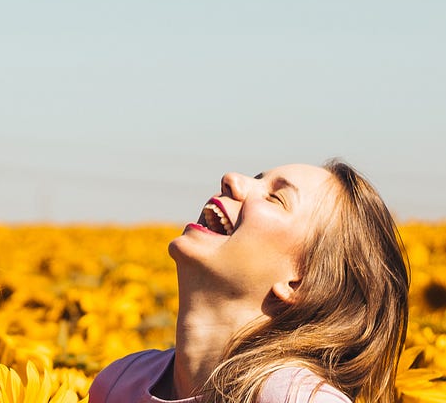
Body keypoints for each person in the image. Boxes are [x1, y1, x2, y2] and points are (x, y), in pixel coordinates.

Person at [89, 161, 408, 403]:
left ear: (300, 283)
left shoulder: (297, 399)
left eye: (275, 198)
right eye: (256, 179)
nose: (231, 179)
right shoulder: (118, 383)